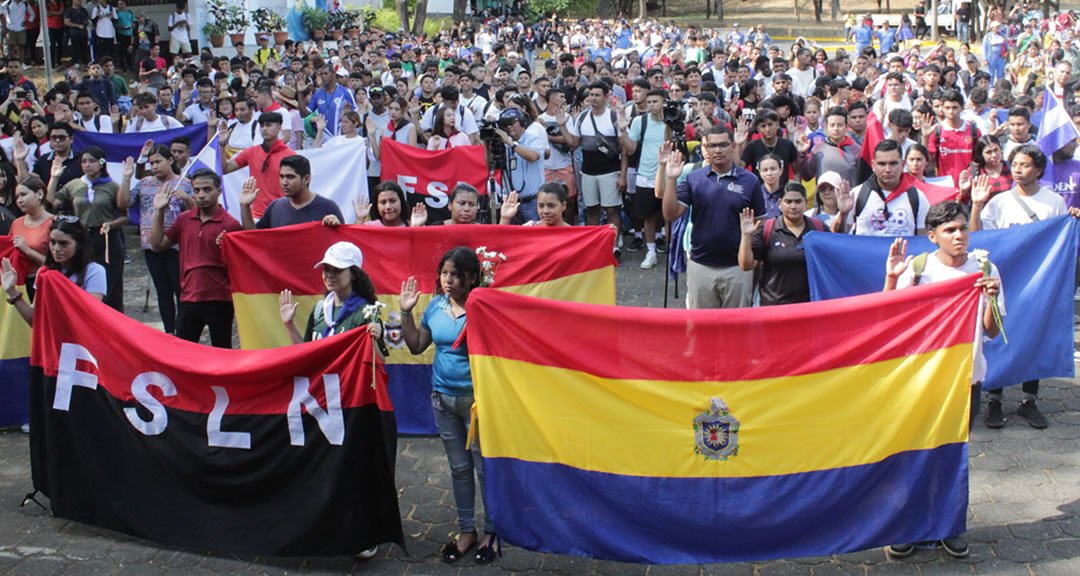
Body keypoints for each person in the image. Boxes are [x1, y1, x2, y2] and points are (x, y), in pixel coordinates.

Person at [881, 201, 1003, 560]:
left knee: (952, 456)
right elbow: (887, 318)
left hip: (966, 380)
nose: (959, 235)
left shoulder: (985, 268)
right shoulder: (918, 269)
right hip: (919, 379)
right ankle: (909, 527)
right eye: (949, 230)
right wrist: (891, 279)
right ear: (932, 236)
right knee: (913, 453)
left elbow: (992, 332)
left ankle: (950, 527)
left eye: (963, 228)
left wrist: (991, 300)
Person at [399, 247, 499, 565]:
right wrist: (405, 313)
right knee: (459, 469)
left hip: (477, 403)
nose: (448, 280)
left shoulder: (483, 307)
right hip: (442, 400)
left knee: (484, 469)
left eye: (455, 275)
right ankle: (466, 531)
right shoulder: (435, 306)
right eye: (444, 273)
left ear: (471, 277)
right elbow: (416, 346)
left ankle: (492, 532)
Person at [970, 145, 1078, 428]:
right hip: (1004, 279)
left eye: (1026, 165)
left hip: (1036, 282)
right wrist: (977, 206)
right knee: (999, 335)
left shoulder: (1053, 202)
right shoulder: (998, 202)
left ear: (1039, 170)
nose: (1018, 169)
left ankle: (1029, 399)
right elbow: (980, 239)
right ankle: (994, 398)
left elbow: (1056, 240)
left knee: (1034, 334)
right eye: (1015, 164)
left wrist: (1072, 220)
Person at [663, 127, 765, 309]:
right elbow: (670, 214)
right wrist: (671, 179)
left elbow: (760, 222)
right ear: (706, 149)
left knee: (736, 327)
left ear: (733, 146)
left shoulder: (750, 181)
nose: (718, 150)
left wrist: (752, 259)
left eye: (723, 145)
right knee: (701, 329)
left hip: (737, 267)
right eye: (712, 146)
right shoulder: (694, 178)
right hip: (700, 265)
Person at [149, 168, 243, 348]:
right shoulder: (183, 220)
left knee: (222, 351)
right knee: (183, 350)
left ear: (219, 192)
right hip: (188, 297)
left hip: (220, 299)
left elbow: (239, 265)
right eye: (196, 190)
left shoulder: (231, 224)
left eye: (207, 190)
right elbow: (157, 245)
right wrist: (159, 212)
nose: (201, 195)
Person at [119, 144, 193, 334]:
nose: (154, 167)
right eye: (152, 163)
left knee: (180, 289)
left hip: (177, 245)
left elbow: (195, 212)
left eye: (158, 162)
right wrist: (126, 178)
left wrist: (186, 198)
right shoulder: (144, 183)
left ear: (170, 160)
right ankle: (169, 331)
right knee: (162, 290)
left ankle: (183, 329)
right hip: (151, 244)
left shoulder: (183, 183)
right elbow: (124, 203)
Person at [738, 182, 852, 305]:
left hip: (810, 306)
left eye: (798, 202)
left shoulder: (818, 228)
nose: (793, 206)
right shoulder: (768, 229)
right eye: (788, 202)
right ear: (780, 203)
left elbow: (836, 248)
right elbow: (746, 265)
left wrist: (843, 214)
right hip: (775, 307)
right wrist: (746, 236)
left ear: (806, 203)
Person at [48, 145, 125, 312]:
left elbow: (124, 215)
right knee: (83, 277)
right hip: (82, 238)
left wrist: (111, 224)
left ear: (101, 163)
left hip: (106, 238)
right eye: (84, 161)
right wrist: (54, 178)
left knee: (111, 284)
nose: (87, 165)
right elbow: (51, 204)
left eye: (92, 161)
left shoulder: (112, 186)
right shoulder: (74, 185)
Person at [279, 240, 386, 350]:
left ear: (354, 274)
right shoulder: (320, 310)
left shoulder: (366, 313)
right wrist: (289, 325)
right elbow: (305, 352)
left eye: (337, 270)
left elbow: (379, 361)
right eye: (326, 269)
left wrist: (374, 340)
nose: (330, 275)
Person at [3, 216, 106, 326]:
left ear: (79, 244)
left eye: (63, 244)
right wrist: (11, 291)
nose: (56, 248)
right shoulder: (44, 272)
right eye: (52, 242)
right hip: (52, 340)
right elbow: (35, 321)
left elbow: (91, 316)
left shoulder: (94, 271)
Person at [620, 88, 668, 269]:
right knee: (648, 216)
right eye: (649, 102)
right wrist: (623, 130)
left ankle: (671, 248)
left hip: (668, 176)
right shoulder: (641, 121)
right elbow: (631, 149)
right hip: (645, 176)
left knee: (667, 215)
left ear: (664, 102)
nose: (651, 105)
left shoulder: (672, 121)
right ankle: (651, 251)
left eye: (655, 102)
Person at [238, 154, 343, 230]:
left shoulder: (328, 208)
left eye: (290, 177)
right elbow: (253, 237)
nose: (284, 182)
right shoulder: (275, 207)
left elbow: (344, 245)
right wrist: (245, 206)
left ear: (306, 179)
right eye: (281, 176)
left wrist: (336, 227)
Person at [848, 140, 928, 236]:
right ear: (873, 166)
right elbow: (838, 236)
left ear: (903, 165)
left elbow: (922, 241)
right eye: (882, 164)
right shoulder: (857, 194)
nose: (888, 170)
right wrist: (843, 214)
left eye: (893, 164)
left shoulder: (918, 197)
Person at [224, 111, 295, 221]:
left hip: (282, 213)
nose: (264, 129)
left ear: (279, 127)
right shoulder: (251, 152)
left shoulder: (290, 155)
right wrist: (221, 145)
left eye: (269, 125)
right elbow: (225, 169)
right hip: (256, 215)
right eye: (262, 126)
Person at [492, 108, 544, 223]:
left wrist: (510, 143)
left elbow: (533, 156)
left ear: (522, 122)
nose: (509, 126)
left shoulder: (533, 138)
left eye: (512, 122)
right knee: (511, 239)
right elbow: (490, 165)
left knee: (534, 237)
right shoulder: (504, 143)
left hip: (532, 202)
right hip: (511, 202)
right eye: (505, 123)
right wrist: (487, 144)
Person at [8, 175, 54, 297]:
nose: (19, 200)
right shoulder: (16, 223)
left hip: (44, 284)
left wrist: (27, 250)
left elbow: (57, 264)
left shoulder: (54, 224)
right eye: (17, 197)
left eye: (23, 195)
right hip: (19, 284)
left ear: (39, 194)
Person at [355, 181, 425, 227]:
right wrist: (360, 219)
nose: (388, 207)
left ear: (401, 202)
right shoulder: (369, 227)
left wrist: (416, 227)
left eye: (393, 201)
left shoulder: (413, 225)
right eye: (383, 202)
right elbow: (356, 244)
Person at [64, 0, 91, 66]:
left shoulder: (83, 10)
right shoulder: (69, 11)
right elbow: (67, 22)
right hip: (75, 33)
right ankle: (75, 62)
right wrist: (77, 25)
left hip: (84, 32)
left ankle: (85, 62)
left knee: (84, 47)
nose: (80, 1)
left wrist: (86, 22)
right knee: (75, 48)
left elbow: (87, 19)